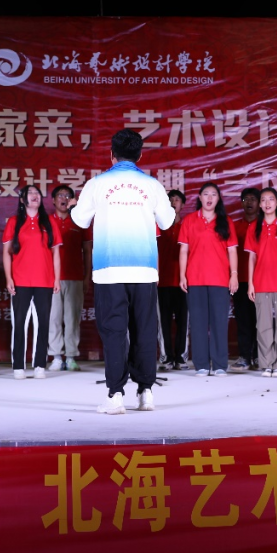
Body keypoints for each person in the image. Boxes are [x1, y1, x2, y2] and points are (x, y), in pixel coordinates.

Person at [71, 128, 176, 415]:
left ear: (112, 155)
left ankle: (115, 394)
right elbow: (167, 222)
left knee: (114, 330)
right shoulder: (152, 185)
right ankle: (146, 392)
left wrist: (78, 205)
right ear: (140, 155)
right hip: (144, 269)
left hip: (109, 269)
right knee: (145, 330)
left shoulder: (97, 183)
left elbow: (79, 220)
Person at [3, 185, 62, 380]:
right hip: (20, 280)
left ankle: (39, 365)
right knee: (19, 323)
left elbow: (55, 253)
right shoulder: (14, 222)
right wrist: (9, 278)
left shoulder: (49, 222)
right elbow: (6, 253)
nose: (35, 196)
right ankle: (18, 366)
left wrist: (56, 278)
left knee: (43, 323)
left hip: (44, 280)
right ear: (22, 200)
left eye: (37, 193)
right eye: (30, 193)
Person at [179, 182, 238, 377]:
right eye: (206, 194)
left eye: (214, 194)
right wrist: (182, 275)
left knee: (219, 322)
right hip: (195, 278)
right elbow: (184, 250)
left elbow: (232, 251)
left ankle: (220, 364)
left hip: (220, 279)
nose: (210, 198)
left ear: (218, 199)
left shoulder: (226, 221)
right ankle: (202, 364)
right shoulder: (189, 220)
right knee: (198, 323)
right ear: (200, 197)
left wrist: (234, 274)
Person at [244, 187, 277, 378]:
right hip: (261, 282)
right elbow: (251, 258)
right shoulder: (254, 227)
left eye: (271, 199)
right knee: (263, 326)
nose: (267, 203)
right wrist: (251, 284)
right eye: (264, 200)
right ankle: (266, 364)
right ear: (260, 204)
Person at [47, 185, 91, 372]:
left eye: (67, 196)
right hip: (52, 278)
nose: (64, 199)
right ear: (53, 200)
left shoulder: (80, 221)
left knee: (72, 319)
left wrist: (87, 277)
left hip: (75, 276)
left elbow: (87, 250)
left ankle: (71, 356)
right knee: (54, 317)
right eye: (60, 195)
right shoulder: (47, 222)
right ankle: (56, 356)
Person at [229, 187, 260, 371]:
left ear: (259, 203)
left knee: (260, 320)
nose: (249, 202)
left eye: (253, 199)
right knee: (242, 319)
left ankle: (259, 356)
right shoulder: (235, 226)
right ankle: (244, 356)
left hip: (260, 280)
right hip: (240, 280)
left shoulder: (264, 226)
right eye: (245, 199)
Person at [157, 189, 187, 371]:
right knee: (163, 323)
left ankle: (181, 358)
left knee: (183, 321)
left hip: (183, 282)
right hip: (162, 281)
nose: (174, 202)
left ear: (182, 205)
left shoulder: (187, 226)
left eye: (177, 200)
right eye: (171, 199)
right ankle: (166, 357)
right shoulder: (158, 226)